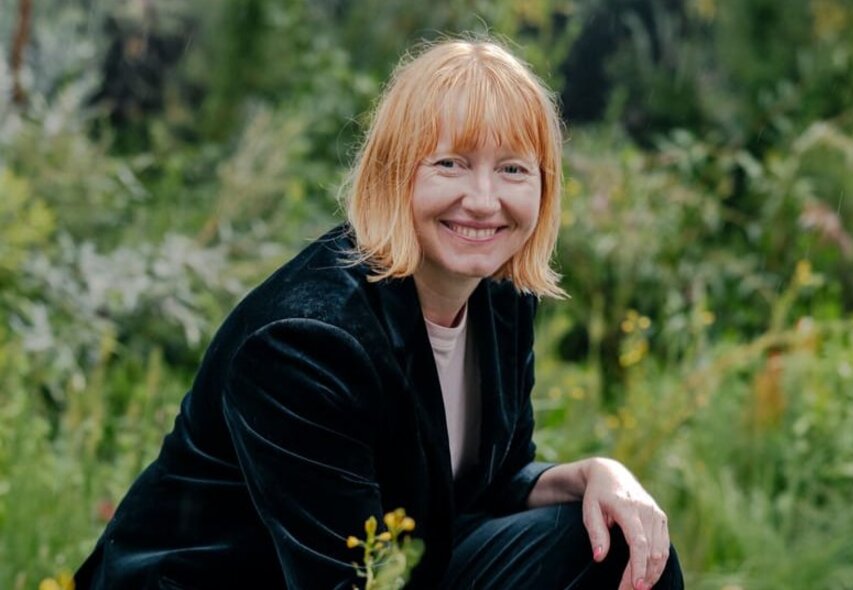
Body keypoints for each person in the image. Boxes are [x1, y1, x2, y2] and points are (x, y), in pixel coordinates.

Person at [75, 38, 684, 590]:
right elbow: (344, 579)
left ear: (543, 190)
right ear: (394, 173)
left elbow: (490, 486)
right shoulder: (304, 342)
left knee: (616, 544)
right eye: (449, 163)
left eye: (513, 169)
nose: (483, 200)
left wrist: (595, 475)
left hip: (394, 568)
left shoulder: (496, 296)